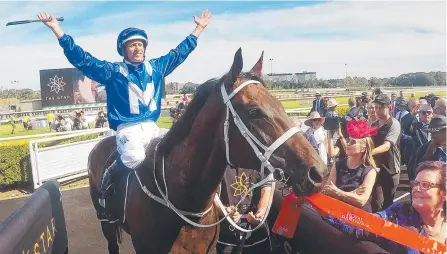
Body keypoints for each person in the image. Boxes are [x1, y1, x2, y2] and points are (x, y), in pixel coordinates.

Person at [37, 11, 212, 201]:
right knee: (135, 157)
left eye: (140, 44)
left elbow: (179, 53)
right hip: (128, 129)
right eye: (131, 45)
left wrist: (199, 28)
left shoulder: (157, 67)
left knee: (182, 149)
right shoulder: (112, 71)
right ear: (123, 50)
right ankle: (109, 177)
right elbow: (83, 59)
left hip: (152, 128)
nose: (137, 48)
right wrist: (57, 30)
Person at [324, 161, 446, 254]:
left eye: (425, 185)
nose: (416, 189)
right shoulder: (400, 213)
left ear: (444, 193)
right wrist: (323, 206)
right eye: (415, 184)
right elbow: (362, 225)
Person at [215, 165, 275, 254]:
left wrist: (260, 214)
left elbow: (267, 191)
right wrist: (224, 210)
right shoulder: (220, 164)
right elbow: (212, 196)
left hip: (256, 234)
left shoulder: (262, 164)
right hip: (225, 233)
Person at [322, 120, 379, 212]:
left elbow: (362, 201)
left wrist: (338, 192)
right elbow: (327, 191)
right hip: (339, 211)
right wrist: (352, 194)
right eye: (348, 140)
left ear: (363, 148)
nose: (348, 143)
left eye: (353, 142)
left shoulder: (369, 171)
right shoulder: (338, 165)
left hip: (358, 216)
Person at [370, 93, 401, 212]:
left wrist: (369, 152)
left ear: (389, 107)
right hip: (376, 169)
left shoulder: (394, 124)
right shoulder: (373, 125)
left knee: (388, 204)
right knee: (376, 203)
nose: (378, 110)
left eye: (381, 107)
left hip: (391, 169)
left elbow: (387, 146)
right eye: (376, 107)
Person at [408, 116, 447, 180]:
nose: (432, 135)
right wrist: (428, 155)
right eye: (431, 132)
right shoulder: (423, 149)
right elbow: (416, 171)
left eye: (436, 132)